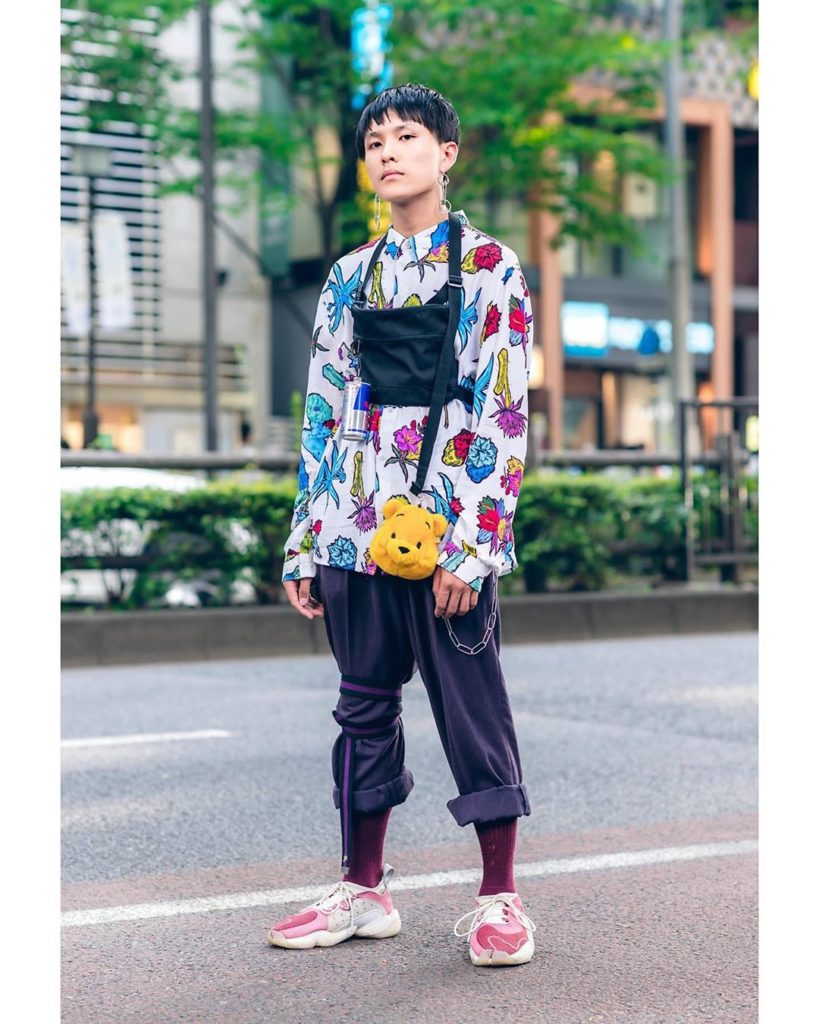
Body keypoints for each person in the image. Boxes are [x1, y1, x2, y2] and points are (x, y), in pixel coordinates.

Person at [269, 83, 536, 967]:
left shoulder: (489, 266)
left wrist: (474, 543)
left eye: (407, 136)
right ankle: (363, 890)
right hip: (351, 528)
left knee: (472, 712)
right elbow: (322, 410)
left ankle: (499, 900)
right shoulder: (349, 276)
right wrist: (306, 538)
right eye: (374, 141)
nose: (387, 152)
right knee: (361, 708)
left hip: (445, 534)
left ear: (445, 154)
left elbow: (503, 410)